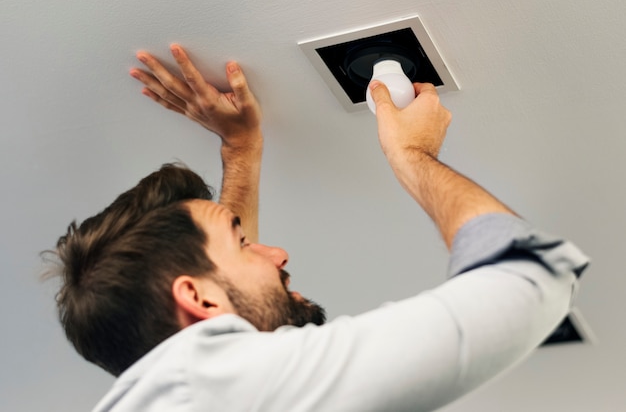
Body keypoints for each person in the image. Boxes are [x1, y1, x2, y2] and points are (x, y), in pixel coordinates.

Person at [49, 44, 588, 411]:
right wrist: (412, 154)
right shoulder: (209, 389)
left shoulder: (189, 391)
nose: (278, 253)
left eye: (248, 240)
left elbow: (227, 296)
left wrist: (241, 151)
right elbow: (530, 285)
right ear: (197, 299)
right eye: (244, 245)